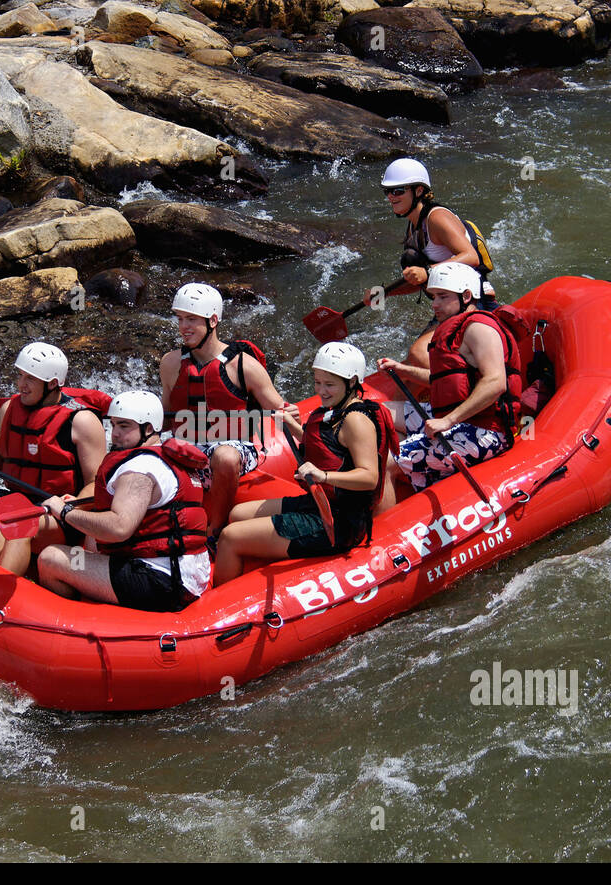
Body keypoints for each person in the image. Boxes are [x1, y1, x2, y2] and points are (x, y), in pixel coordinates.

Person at [215, 343, 396, 585]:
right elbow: (328, 448)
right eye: (318, 382)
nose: (321, 391)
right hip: (321, 505)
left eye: (329, 384)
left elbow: (369, 477)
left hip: (338, 524)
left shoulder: (356, 421)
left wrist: (324, 476)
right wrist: (293, 427)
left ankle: (221, 601)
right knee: (237, 514)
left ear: (352, 382)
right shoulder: (336, 411)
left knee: (229, 537)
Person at [38, 391, 211, 611]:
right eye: (113, 425)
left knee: (51, 558)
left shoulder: (139, 469)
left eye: (124, 426)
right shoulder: (163, 457)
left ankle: (73, 622)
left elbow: (119, 527)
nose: (115, 435)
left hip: (159, 580)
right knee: (89, 541)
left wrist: (64, 512)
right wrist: (81, 503)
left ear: (148, 428)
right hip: (186, 573)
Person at [0, 343, 106, 574]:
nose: (21, 385)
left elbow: (97, 484)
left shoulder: (83, 422)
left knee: (21, 523)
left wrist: (68, 508)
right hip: (20, 501)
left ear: (51, 384)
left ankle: (3, 580)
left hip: (59, 514)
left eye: (30, 379)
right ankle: (22, 566)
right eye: (20, 376)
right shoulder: (9, 409)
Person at [159, 282, 297, 535]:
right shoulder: (170, 363)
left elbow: (281, 409)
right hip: (185, 446)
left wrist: (290, 416)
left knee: (225, 455)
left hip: (233, 446)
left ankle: (216, 529)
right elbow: (165, 422)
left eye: (191, 319)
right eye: (179, 319)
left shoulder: (242, 364)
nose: (183, 327)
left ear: (212, 321)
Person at [377, 262, 522, 492]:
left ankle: (382, 517)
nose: (435, 304)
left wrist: (448, 421)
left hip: (485, 431)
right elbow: (445, 380)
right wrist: (402, 370)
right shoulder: (456, 327)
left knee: (381, 464)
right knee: (378, 414)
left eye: (443, 297)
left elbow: (496, 382)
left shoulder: (479, 328)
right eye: (433, 297)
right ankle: (412, 470)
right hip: (455, 417)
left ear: (466, 296)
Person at [365, 157, 497, 312]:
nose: (390, 196)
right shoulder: (413, 226)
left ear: (419, 190)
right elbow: (418, 280)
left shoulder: (436, 218)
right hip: (449, 306)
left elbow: (471, 256)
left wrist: (428, 271)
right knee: (410, 258)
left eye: (398, 191)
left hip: (473, 301)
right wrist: (384, 292)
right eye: (387, 191)